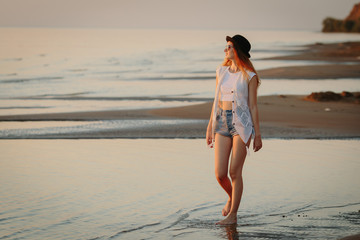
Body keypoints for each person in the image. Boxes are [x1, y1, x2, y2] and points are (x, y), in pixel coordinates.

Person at [206, 34, 262, 225]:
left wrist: (257, 135)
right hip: (221, 121)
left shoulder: (250, 76)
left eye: (229, 46)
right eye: (226, 46)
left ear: (237, 50)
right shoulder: (220, 71)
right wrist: (209, 126)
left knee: (234, 172)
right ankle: (231, 197)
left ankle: (233, 216)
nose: (225, 49)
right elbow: (215, 101)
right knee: (220, 173)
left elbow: (253, 106)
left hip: (242, 125)